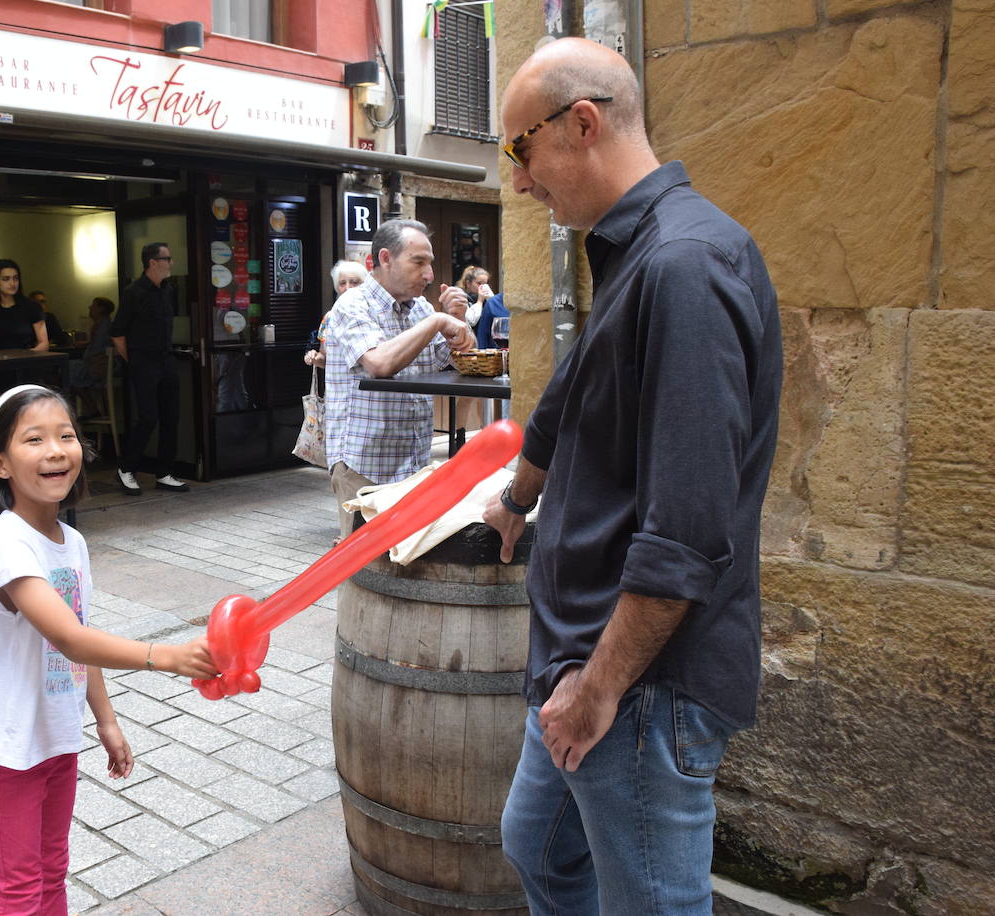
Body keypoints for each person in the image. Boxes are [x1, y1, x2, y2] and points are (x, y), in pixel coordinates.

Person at [481, 38, 782, 915]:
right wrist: (517, 494)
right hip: (581, 657)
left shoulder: (685, 266)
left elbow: (687, 529)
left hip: (636, 684)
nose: (521, 181)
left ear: (581, 124)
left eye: (520, 150)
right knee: (535, 848)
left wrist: (600, 689)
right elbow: (572, 392)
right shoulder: (634, 251)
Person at [0, 383, 216, 914]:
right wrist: (164, 656)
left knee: (53, 869)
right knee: (19, 887)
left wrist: (105, 720)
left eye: (67, 436)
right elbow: (69, 636)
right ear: (0, 463)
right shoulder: (5, 543)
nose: (56, 450)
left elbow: (80, 641)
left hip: (56, 736)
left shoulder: (70, 543)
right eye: (34, 439)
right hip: (8, 748)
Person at [324, 218, 476, 538]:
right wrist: (437, 321)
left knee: (405, 568)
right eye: (418, 262)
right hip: (363, 467)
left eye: (430, 263)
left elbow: (455, 363)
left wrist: (459, 324)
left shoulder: (419, 308)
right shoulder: (353, 304)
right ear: (385, 259)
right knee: (364, 573)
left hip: (413, 465)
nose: (429, 275)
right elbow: (380, 363)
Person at [111, 242, 188, 495]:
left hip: (166, 359)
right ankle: (126, 468)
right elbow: (118, 333)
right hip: (143, 362)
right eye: (167, 258)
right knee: (148, 417)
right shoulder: (134, 292)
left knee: (171, 416)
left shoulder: (167, 290)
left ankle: (164, 472)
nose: (171, 263)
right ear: (153, 263)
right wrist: (133, 361)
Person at [303, 259, 369, 370]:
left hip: (367, 385)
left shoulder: (374, 314)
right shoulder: (329, 318)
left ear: (365, 285)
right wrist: (314, 358)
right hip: (339, 386)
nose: (348, 287)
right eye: (342, 283)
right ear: (337, 288)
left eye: (354, 282)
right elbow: (325, 358)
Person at [0, 260, 48, 352]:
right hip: (1, 362)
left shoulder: (32, 307)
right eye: (6, 279)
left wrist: (25, 357)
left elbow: (44, 344)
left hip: (29, 361)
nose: (12, 283)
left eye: (15, 278)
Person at [72, 297, 115, 417]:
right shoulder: (104, 324)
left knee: (65, 372)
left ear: (100, 309)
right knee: (70, 371)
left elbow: (97, 349)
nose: (89, 308)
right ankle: (91, 408)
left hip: (98, 367)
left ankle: (90, 408)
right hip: (99, 365)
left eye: (93, 305)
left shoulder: (102, 326)